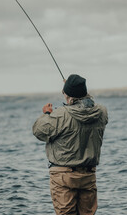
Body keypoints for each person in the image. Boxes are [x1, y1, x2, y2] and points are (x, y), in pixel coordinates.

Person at [32, 74, 108, 215]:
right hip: (88, 175)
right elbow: (87, 105)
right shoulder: (101, 112)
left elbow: (38, 131)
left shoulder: (60, 115)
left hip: (63, 176)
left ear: (69, 97)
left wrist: (47, 114)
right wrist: (74, 91)